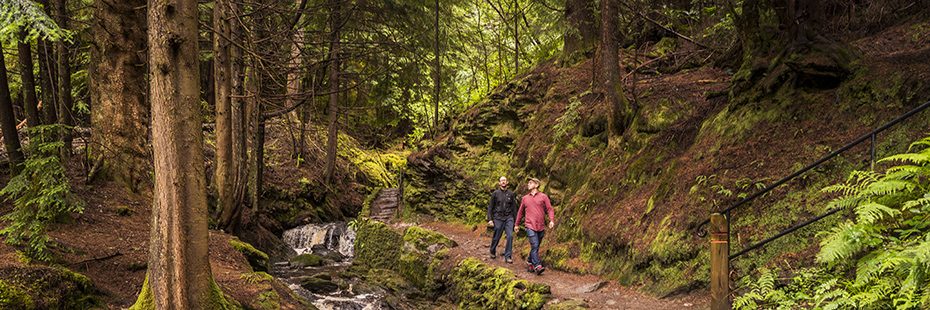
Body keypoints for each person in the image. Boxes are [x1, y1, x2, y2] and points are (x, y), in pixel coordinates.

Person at [515, 177, 555, 275]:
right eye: (528, 183)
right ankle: (537, 265)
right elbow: (520, 213)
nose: (528, 184)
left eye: (530, 182)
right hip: (529, 225)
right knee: (535, 245)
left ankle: (529, 261)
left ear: (536, 185)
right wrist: (516, 224)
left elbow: (550, 209)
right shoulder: (525, 198)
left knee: (535, 247)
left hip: (541, 226)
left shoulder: (543, 197)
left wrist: (551, 220)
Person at [487, 176, 517, 263]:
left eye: (504, 180)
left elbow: (514, 208)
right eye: (501, 181)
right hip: (498, 218)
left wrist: (516, 222)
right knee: (497, 236)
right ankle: (492, 250)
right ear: (499, 183)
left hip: (509, 218)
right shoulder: (495, 194)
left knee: (510, 236)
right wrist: (490, 219)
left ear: (507, 182)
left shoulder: (511, 194)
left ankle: (508, 256)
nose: (503, 182)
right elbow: (490, 207)